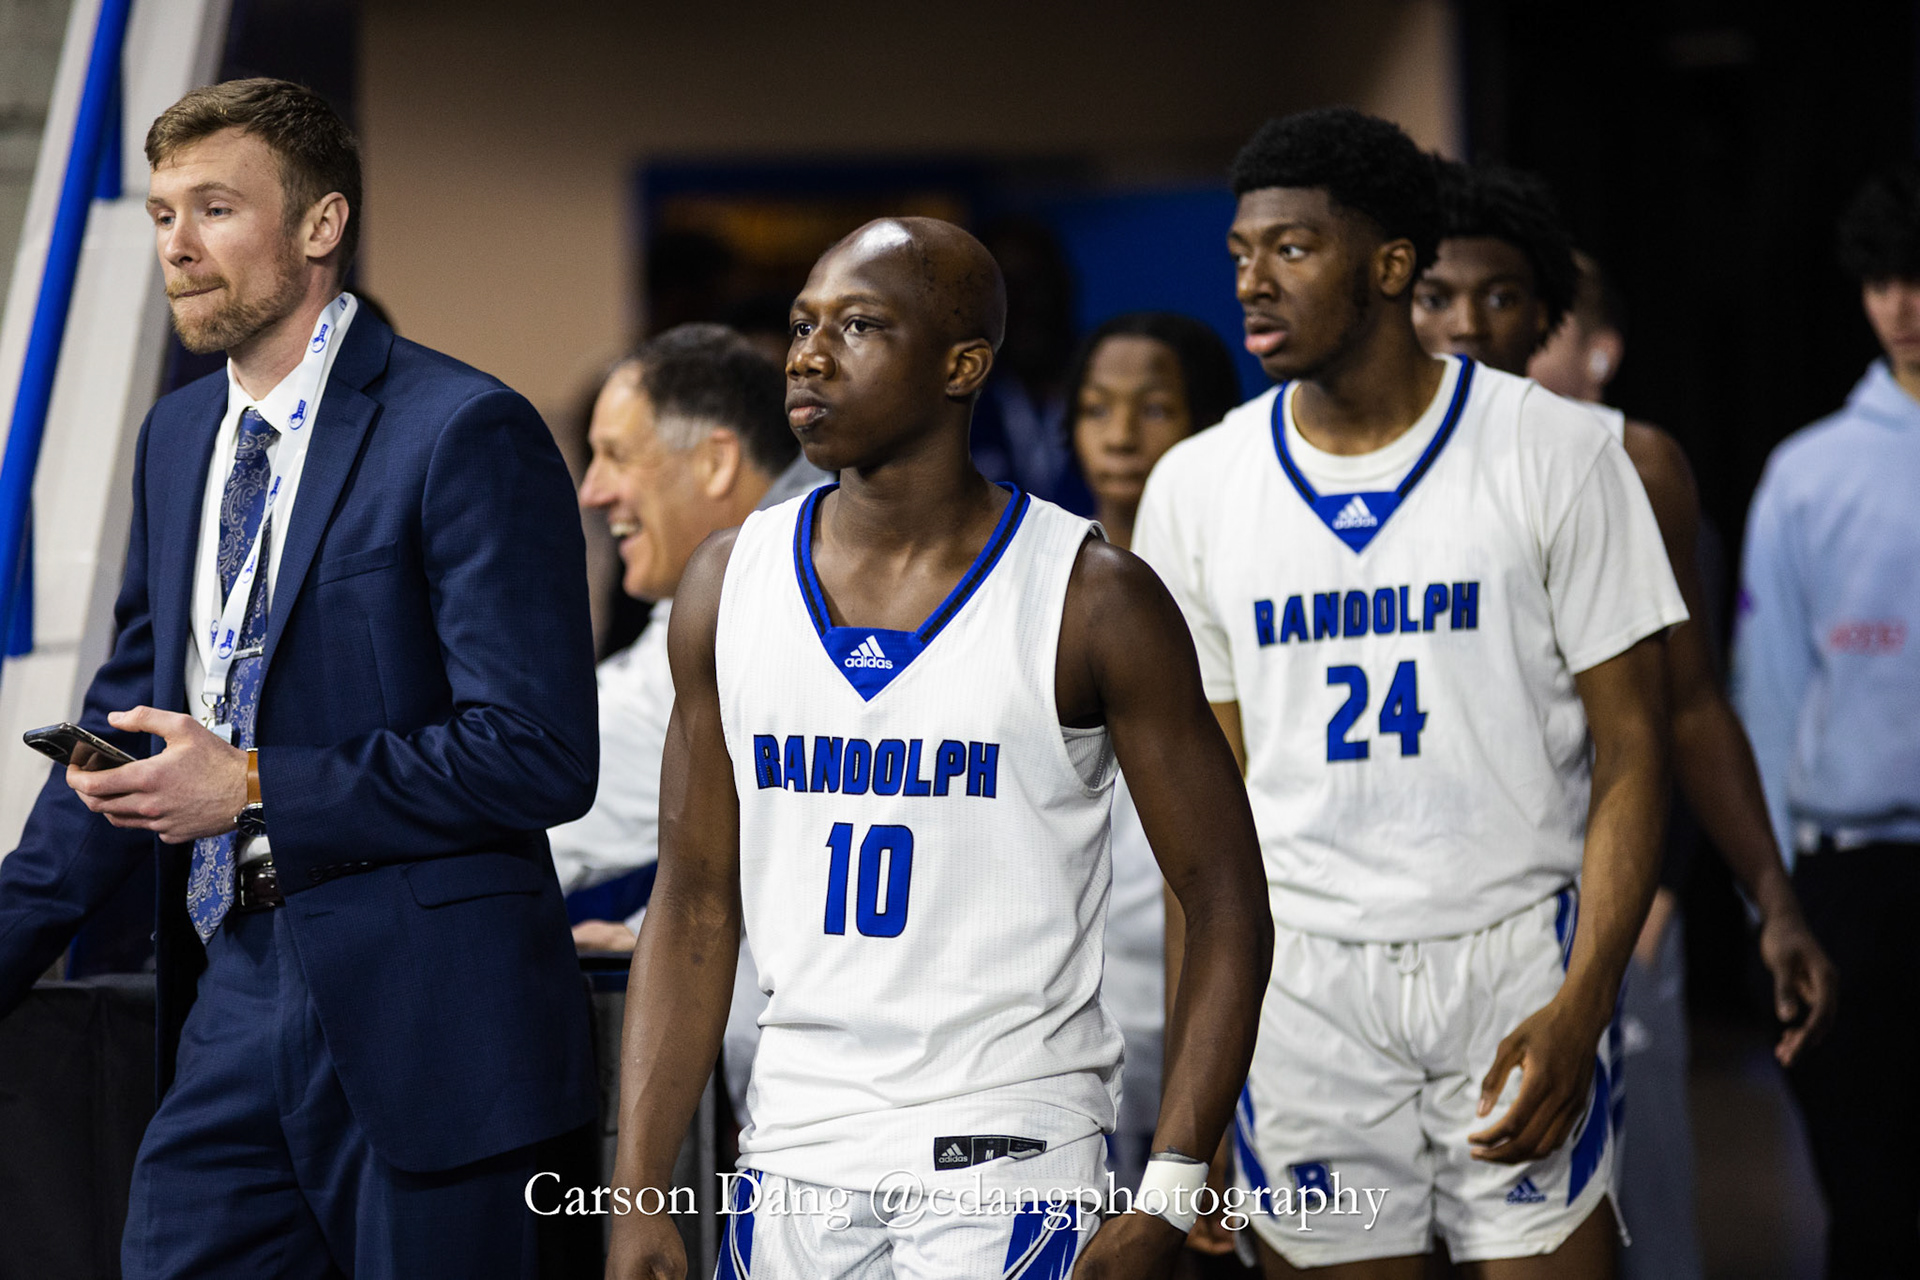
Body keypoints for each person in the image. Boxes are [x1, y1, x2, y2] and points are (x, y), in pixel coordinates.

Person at [0, 80, 598, 1276]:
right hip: (233, 986)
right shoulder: (177, 437)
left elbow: (536, 751)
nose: (177, 244)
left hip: (433, 1020)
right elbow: (131, 728)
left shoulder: (462, 426)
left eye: (215, 208)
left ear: (321, 225)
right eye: (163, 212)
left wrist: (253, 783)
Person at [605, 217, 1272, 1280]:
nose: (809, 356)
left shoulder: (1092, 595)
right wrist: (639, 1187)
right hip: (792, 1149)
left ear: (964, 365)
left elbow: (1227, 898)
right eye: (803, 326)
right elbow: (692, 903)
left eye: (859, 326)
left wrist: (1172, 1183)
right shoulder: (728, 582)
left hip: (1008, 1146)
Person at [1135, 109, 1687, 1277]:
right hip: (1301, 978)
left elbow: (1637, 748)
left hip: (1516, 956)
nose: (1252, 281)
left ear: (1391, 266)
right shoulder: (1197, 485)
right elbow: (1205, 828)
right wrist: (1197, 1088)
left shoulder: (1558, 451)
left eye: (1292, 247)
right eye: (1242, 253)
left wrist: (1588, 999)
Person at [1415, 165, 1837, 1280]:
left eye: (1500, 296)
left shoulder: (1626, 465)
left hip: (1571, 908)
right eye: (1439, 296)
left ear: (1548, 317)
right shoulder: (1322, 466)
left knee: (1626, 1218)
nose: (1467, 324)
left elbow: (1687, 706)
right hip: (1372, 930)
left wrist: (1769, 893)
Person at [555, 323, 825, 1125]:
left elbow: (543, 787)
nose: (592, 491)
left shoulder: (803, 589)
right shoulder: (735, 588)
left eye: (616, 456)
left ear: (715, 461)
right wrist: (664, 940)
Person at [1732, 161, 1920, 1278]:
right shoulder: (1807, 473)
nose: (1904, 304)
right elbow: (1765, 693)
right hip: (1851, 872)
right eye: (1883, 278)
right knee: (1872, 1199)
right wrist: (1775, 896)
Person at [1064, 311, 1242, 1201]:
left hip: (1220, 981)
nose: (1122, 435)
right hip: (1071, 1011)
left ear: (1210, 422)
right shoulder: (1040, 579)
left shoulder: (1243, 576)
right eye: (1097, 409)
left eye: (1155, 408)